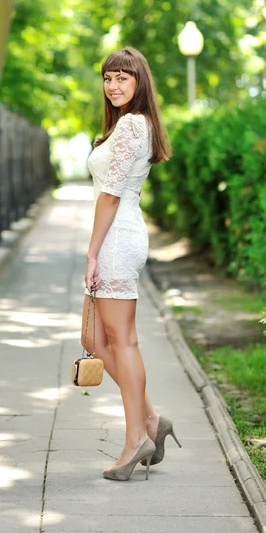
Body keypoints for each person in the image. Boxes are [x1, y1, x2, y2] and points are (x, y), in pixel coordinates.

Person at [82, 46, 181, 482]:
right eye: (108, 78)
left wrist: (92, 251)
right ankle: (153, 421)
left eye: (123, 78)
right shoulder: (126, 126)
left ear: (139, 82)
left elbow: (111, 194)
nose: (114, 85)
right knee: (98, 340)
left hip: (117, 238)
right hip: (118, 234)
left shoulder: (131, 126)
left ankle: (134, 439)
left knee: (120, 342)